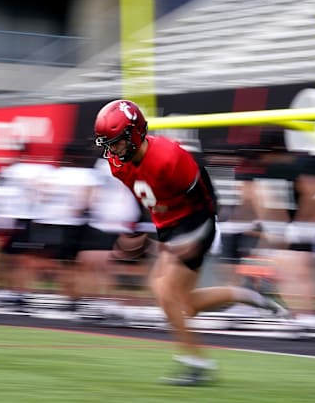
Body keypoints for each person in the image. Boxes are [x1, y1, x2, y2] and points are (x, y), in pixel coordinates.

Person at [94, 99, 288, 386]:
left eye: (117, 141)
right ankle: (247, 294)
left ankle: (196, 363)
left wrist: (196, 239)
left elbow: (206, 198)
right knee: (184, 304)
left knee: (166, 292)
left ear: (134, 134)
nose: (112, 149)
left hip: (196, 222)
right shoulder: (116, 163)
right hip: (169, 226)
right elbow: (140, 193)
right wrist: (134, 230)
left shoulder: (168, 156)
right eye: (107, 143)